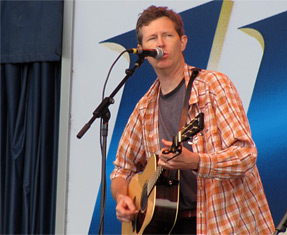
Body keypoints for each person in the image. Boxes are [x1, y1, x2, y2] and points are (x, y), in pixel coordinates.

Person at [110, 5, 275, 234]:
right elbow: (121, 170)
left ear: (183, 41)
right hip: (168, 226)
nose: (160, 44)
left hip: (223, 223)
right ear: (142, 50)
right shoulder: (144, 108)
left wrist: (196, 161)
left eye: (167, 35)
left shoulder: (214, 86)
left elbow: (245, 155)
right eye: (152, 38)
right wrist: (122, 198)